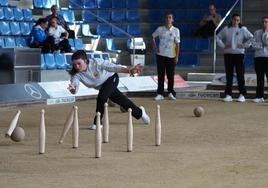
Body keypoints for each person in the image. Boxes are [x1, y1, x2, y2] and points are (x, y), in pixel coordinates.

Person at [67, 50, 150, 130]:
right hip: (103, 87)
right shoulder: (76, 74)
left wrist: (130, 71)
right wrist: (73, 89)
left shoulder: (96, 63)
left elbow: (113, 67)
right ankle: (140, 113)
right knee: (122, 101)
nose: (77, 67)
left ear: (85, 61)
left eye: (79, 63)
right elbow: (75, 84)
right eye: (74, 64)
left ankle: (98, 122)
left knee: (102, 97)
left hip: (111, 78)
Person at [216, 13, 253, 102]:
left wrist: (244, 45)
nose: (236, 22)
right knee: (229, 75)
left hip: (239, 55)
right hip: (228, 54)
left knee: (240, 74)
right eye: (234, 20)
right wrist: (223, 46)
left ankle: (242, 94)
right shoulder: (226, 29)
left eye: (238, 20)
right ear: (231, 20)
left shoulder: (243, 29)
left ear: (239, 21)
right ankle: (228, 94)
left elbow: (252, 38)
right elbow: (218, 37)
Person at [152, 13, 180, 101]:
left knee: (170, 75)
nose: (168, 19)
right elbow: (152, 37)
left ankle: (171, 92)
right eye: (167, 17)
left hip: (171, 56)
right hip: (160, 55)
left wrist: (177, 56)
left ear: (172, 20)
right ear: (165, 19)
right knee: (161, 75)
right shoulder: (160, 29)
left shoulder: (176, 30)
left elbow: (178, 44)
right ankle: (160, 93)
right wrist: (155, 48)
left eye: (170, 18)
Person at [251, 16, 268, 103]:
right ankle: (259, 96)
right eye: (263, 22)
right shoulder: (257, 32)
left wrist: (265, 33)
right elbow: (253, 45)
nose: (264, 23)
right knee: (259, 78)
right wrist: (262, 46)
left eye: (266, 22)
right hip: (258, 58)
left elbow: (267, 42)